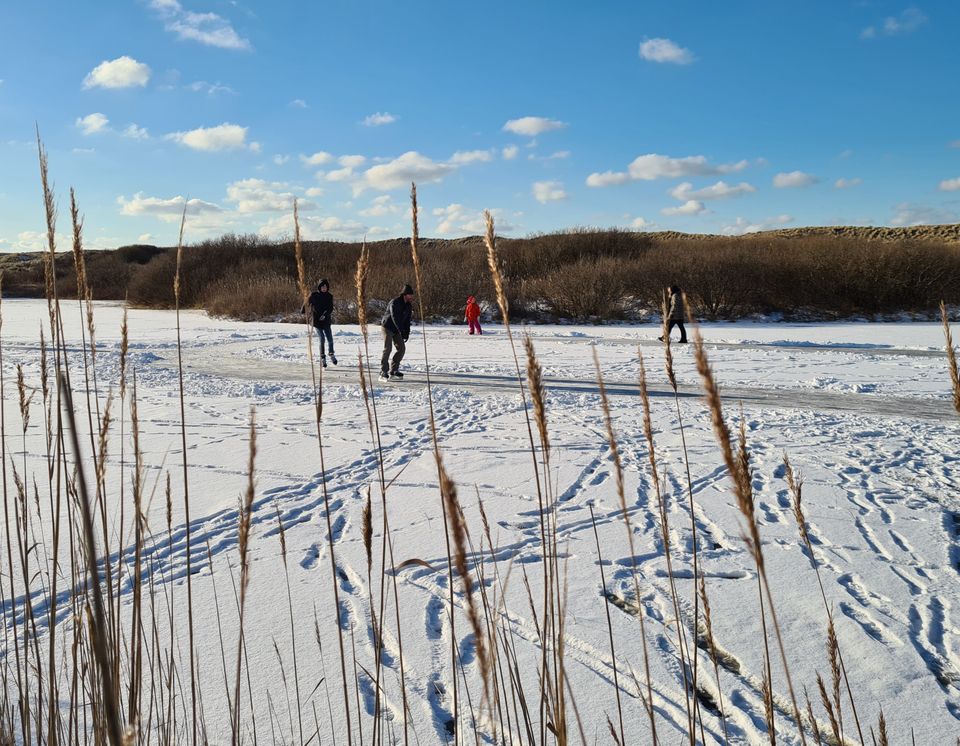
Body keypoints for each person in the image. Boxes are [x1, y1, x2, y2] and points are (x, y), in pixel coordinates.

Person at [380, 283, 414, 380]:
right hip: (387, 327)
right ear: (405, 294)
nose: (411, 296)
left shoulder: (408, 306)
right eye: (410, 295)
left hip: (397, 329)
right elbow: (395, 317)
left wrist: (406, 333)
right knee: (388, 348)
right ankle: (383, 371)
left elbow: (407, 321)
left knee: (401, 348)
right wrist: (401, 330)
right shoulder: (394, 302)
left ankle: (394, 370)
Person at [302, 279, 338, 367]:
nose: (324, 288)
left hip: (326, 321)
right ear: (319, 287)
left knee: (330, 339)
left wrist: (325, 315)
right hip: (317, 321)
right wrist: (303, 310)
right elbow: (307, 302)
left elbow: (330, 308)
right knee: (322, 338)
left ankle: (331, 353)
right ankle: (323, 357)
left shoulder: (329, 296)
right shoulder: (314, 295)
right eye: (322, 286)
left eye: (325, 286)